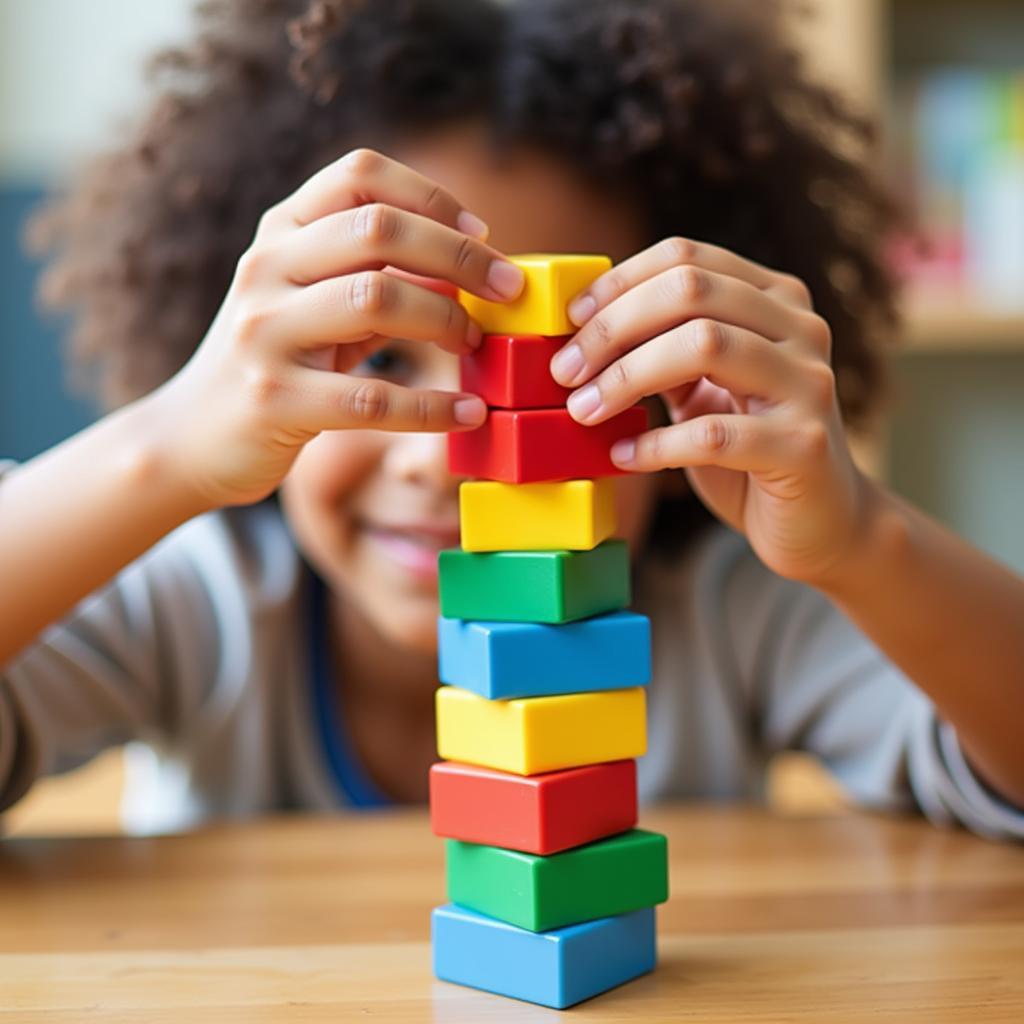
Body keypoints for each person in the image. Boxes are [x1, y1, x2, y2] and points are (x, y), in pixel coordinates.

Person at [2, 0, 1023, 839]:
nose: (451, 463)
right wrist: (164, 448)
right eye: (379, 355)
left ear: (683, 388)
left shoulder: (734, 613)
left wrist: (857, 537)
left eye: (558, 371)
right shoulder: (200, 603)